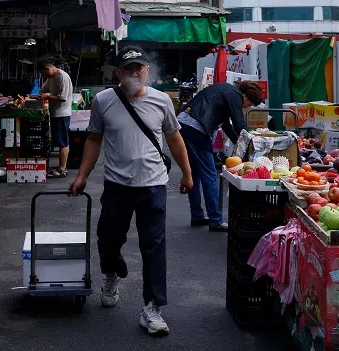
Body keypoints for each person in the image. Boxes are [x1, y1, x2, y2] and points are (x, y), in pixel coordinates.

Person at [69, 45, 193, 337]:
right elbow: (94, 139)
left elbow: (174, 139)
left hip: (153, 186)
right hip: (116, 185)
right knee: (108, 239)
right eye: (128, 68)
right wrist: (82, 175)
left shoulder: (162, 101)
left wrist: (187, 173)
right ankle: (111, 273)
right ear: (118, 73)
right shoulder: (103, 101)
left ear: (147, 70)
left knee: (154, 245)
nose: (135, 72)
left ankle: (152, 307)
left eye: (140, 67)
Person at [178, 80, 264, 231]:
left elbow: (226, 126)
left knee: (195, 173)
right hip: (196, 128)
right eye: (249, 104)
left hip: (185, 123)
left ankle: (197, 215)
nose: (246, 107)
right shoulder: (235, 95)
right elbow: (239, 124)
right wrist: (250, 144)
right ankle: (215, 219)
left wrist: (239, 144)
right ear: (245, 96)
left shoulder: (225, 92)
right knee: (210, 175)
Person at [35, 60, 74, 178]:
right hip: (55, 113)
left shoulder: (63, 77)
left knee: (63, 142)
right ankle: (59, 167)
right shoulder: (51, 77)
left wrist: (47, 96)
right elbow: (44, 89)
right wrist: (40, 95)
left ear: (48, 69)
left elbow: (63, 98)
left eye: (43, 74)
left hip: (62, 114)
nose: (44, 76)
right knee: (59, 140)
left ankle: (62, 169)